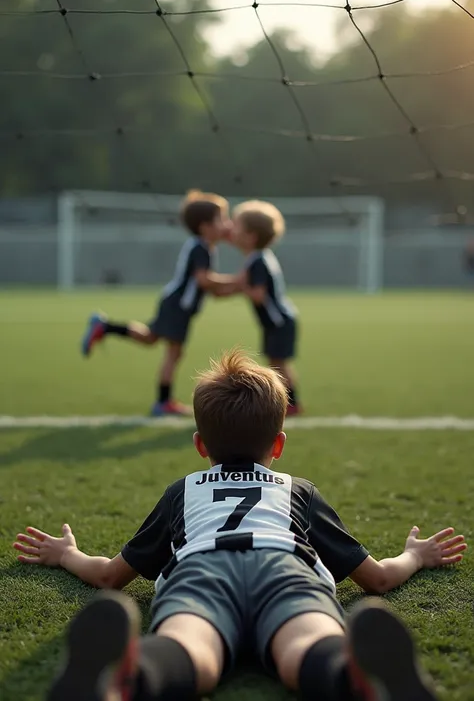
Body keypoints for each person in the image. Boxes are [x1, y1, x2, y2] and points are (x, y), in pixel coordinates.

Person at [14, 350, 466, 701]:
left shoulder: (183, 491)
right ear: (279, 444)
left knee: (193, 650)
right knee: (305, 648)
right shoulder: (297, 490)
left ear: (199, 445)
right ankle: (356, 676)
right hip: (283, 569)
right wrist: (415, 555)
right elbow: (379, 579)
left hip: (203, 571)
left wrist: (66, 554)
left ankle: (125, 679)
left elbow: (111, 577)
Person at [80, 190, 243, 416]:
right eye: (222, 219)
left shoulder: (204, 246)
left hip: (174, 303)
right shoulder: (201, 248)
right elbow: (205, 280)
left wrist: (235, 288)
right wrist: (238, 281)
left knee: (150, 338)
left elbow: (212, 289)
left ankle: (105, 326)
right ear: (206, 226)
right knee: (173, 352)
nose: (227, 224)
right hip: (178, 306)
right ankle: (163, 402)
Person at [231, 200, 301, 415]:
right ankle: (289, 403)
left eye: (237, 226)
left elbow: (259, 295)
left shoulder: (257, 261)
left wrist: (241, 287)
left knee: (278, 364)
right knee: (277, 362)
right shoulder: (259, 257)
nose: (232, 231)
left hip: (278, 321)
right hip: (278, 320)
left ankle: (291, 404)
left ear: (250, 236)